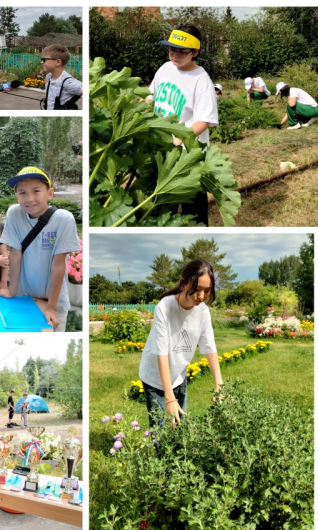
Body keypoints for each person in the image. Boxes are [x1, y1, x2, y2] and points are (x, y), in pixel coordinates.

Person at [139, 259, 224, 428]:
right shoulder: (164, 307)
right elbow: (161, 353)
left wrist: (219, 385)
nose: (201, 296)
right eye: (196, 289)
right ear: (183, 284)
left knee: (181, 428)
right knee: (160, 428)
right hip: (154, 377)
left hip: (179, 376)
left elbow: (210, 347)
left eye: (206, 291)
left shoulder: (203, 312)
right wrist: (170, 398)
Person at [147, 24, 218, 226]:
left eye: (182, 51)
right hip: (162, 145)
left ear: (195, 52)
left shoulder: (201, 80)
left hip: (187, 152)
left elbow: (204, 120)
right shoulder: (165, 68)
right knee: (162, 201)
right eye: (171, 49)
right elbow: (150, 96)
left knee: (192, 204)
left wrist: (181, 138)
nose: (175, 55)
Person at [0, 167, 80, 332]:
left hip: (54, 302)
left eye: (36, 191)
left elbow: (58, 265)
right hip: (23, 298)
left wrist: (50, 307)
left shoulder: (63, 219)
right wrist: (12, 291)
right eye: (22, 193)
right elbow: (15, 253)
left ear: (50, 193)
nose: (30, 198)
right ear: (16, 196)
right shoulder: (14, 213)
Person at [40, 44, 83, 111]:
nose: (41, 62)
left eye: (44, 59)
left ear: (58, 62)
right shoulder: (48, 77)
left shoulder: (68, 82)